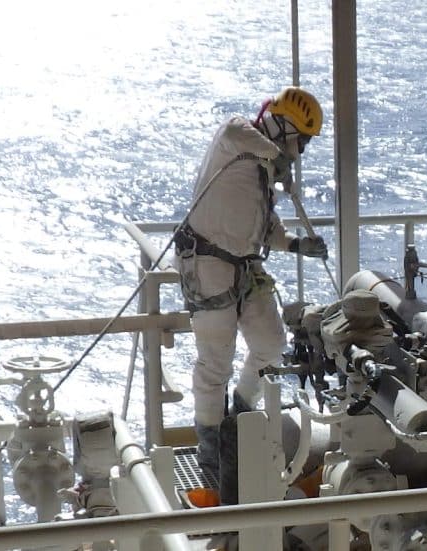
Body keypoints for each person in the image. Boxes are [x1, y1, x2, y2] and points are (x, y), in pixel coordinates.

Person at [173, 86, 327, 487]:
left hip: (244, 267)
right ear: (280, 126)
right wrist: (276, 159)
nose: (300, 152)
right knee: (214, 366)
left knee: (271, 345)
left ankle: (239, 416)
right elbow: (234, 129)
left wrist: (297, 245)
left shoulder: (260, 169)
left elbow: (265, 226)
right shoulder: (238, 140)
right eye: (299, 142)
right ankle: (211, 457)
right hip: (208, 263)